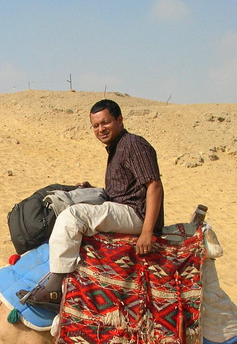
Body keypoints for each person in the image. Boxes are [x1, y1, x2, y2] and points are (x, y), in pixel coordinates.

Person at [27, 99, 164, 307]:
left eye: (105, 123)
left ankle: (56, 286)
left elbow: (154, 186)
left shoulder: (134, 145)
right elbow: (126, 188)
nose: (101, 129)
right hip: (125, 207)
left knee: (73, 216)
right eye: (96, 126)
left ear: (119, 120)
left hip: (138, 213)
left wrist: (147, 232)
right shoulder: (116, 147)